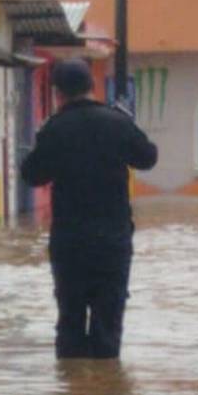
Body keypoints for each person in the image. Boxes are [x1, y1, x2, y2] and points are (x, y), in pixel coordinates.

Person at [21, 58, 158, 359]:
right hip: (113, 240)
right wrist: (127, 125)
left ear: (57, 93)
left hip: (70, 241)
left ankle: (71, 392)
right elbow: (148, 158)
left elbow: (32, 175)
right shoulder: (117, 122)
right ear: (92, 87)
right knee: (108, 319)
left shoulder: (54, 129)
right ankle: (104, 392)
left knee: (70, 318)